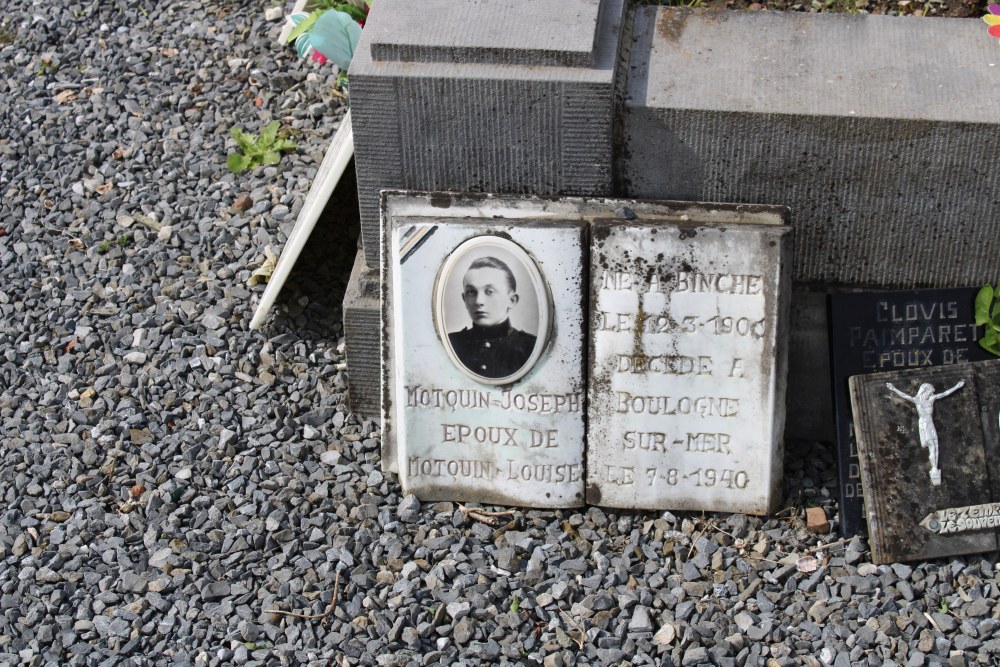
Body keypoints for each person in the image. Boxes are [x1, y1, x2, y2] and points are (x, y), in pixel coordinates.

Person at [448, 256, 536, 379]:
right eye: (471, 292)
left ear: (511, 300)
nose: (479, 301)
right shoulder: (450, 343)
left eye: (490, 291)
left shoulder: (531, 347)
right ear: (464, 299)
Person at [886, 380, 965, 486]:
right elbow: (905, 396)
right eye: (929, 392)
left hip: (930, 423)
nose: (931, 394)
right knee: (932, 445)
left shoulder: (931, 399)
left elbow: (945, 393)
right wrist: (893, 388)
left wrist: (957, 386)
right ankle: (934, 468)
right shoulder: (917, 400)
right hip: (924, 424)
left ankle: (935, 468)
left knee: (936, 445)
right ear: (924, 391)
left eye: (932, 393)